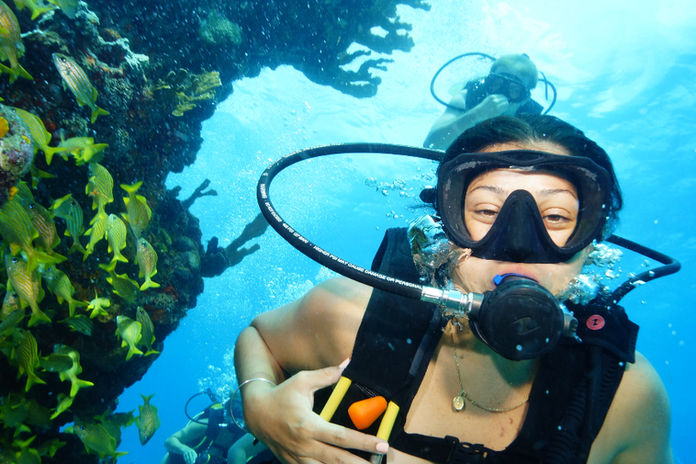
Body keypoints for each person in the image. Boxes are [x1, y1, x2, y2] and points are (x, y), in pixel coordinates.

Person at [233, 114, 673, 464]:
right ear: (448, 224)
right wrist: (259, 407)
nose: (519, 244)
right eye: (485, 209)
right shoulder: (352, 315)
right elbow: (259, 339)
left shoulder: (623, 400)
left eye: (556, 217)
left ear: (590, 243)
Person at [424, 54, 542, 150]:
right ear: (487, 84)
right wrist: (476, 114)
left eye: (514, 89)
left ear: (525, 99)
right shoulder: (467, 98)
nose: (502, 93)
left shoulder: (532, 119)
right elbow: (430, 145)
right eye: (497, 83)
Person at [161, 401, 245, 464]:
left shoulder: (243, 438)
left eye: (237, 427)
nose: (232, 430)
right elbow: (169, 441)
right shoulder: (206, 425)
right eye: (231, 424)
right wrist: (185, 450)